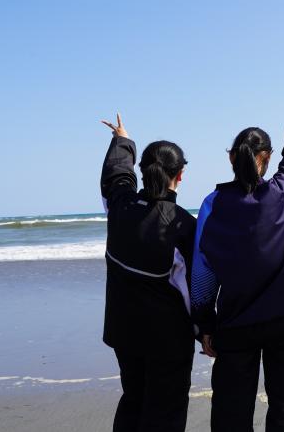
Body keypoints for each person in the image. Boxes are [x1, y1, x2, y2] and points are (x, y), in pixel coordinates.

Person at [191, 57, 284, 432]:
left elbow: (203, 272)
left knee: (231, 417)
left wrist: (204, 324)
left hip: (235, 324)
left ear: (232, 158)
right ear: (266, 159)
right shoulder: (282, 192)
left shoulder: (213, 204)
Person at [100, 114, 197, 432]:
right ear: (180, 175)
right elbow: (196, 288)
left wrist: (122, 141)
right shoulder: (183, 225)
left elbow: (116, 175)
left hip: (124, 332)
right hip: (168, 338)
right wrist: (207, 329)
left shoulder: (120, 205)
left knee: (133, 400)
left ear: (143, 171)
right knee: (166, 412)